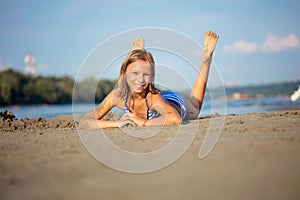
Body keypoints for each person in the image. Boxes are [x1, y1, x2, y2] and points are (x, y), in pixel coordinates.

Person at [79, 31, 219, 129]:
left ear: (152, 77)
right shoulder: (117, 96)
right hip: (159, 102)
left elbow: (175, 119)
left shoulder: (152, 97)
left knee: (195, 108)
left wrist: (144, 123)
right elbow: (85, 122)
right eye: (135, 73)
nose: (140, 80)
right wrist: (118, 124)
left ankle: (206, 61)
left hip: (174, 102)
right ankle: (139, 57)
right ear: (124, 73)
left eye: (146, 75)